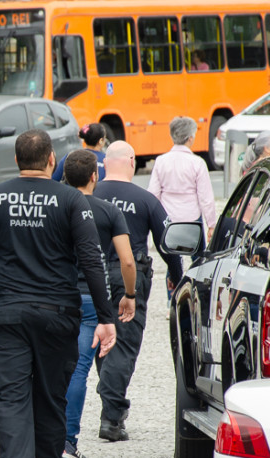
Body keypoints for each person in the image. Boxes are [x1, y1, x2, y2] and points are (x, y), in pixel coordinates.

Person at [0, 129, 117, 458]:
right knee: (51, 399)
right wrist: (106, 317)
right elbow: (91, 260)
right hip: (57, 316)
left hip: (8, 314)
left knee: (10, 400)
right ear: (51, 161)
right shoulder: (72, 200)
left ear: (16, 161)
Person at [93, 141, 184, 442]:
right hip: (129, 278)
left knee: (102, 340)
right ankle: (111, 417)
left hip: (89, 276)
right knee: (123, 345)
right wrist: (177, 277)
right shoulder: (145, 200)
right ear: (132, 162)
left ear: (105, 163)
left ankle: (110, 405)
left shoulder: (88, 196)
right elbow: (169, 243)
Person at [60, 149, 136, 458]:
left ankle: (41, 437)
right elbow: (127, 261)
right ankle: (67, 441)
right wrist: (129, 294)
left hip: (57, 295)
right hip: (91, 298)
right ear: (95, 176)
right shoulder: (108, 211)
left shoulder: (56, 206)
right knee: (79, 368)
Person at [147, 116, 217, 257]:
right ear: (190, 138)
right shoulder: (197, 163)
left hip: (168, 219)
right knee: (197, 260)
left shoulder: (161, 161)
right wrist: (211, 224)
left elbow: (153, 194)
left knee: (173, 260)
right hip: (192, 219)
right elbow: (206, 198)